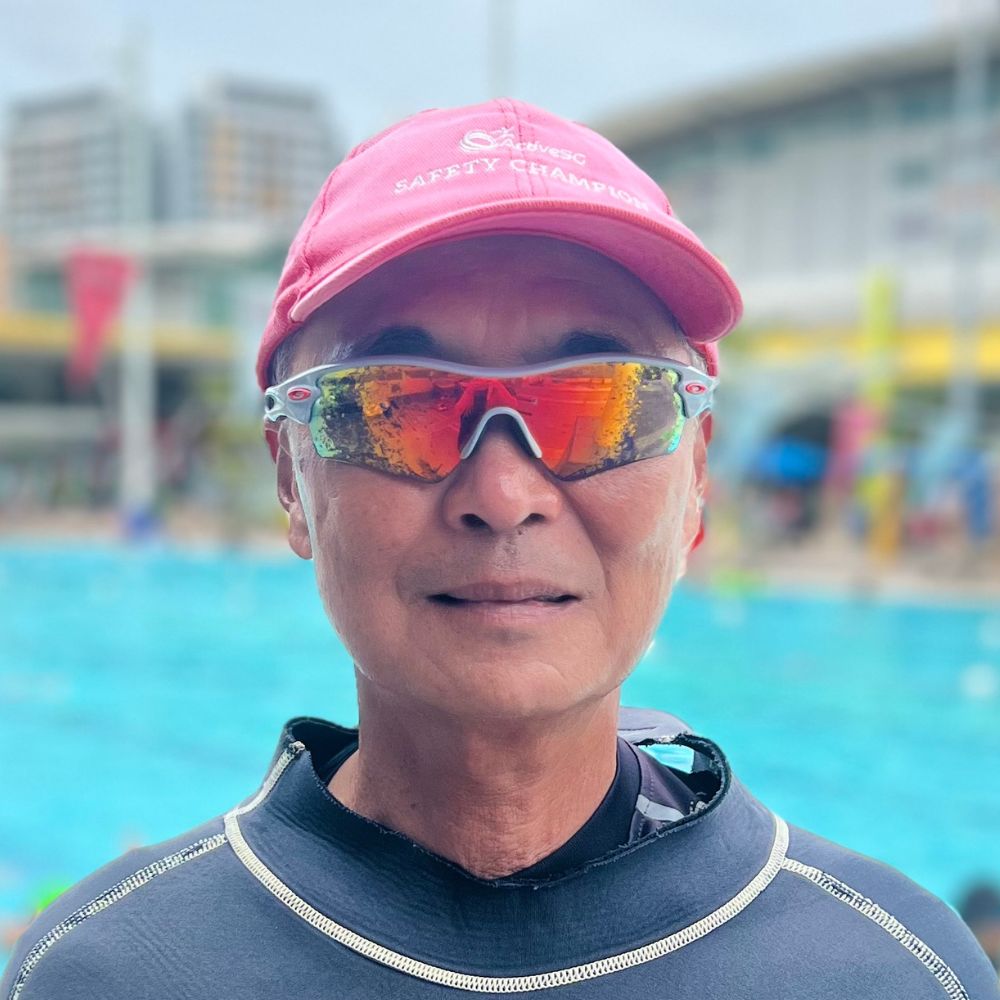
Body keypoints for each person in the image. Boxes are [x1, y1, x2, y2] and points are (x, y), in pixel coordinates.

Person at [3, 99, 996, 999]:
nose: (503, 494)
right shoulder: (103, 973)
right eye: (395, 407)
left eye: (604, 403)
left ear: (696, 474)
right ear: (288, 480)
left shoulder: (890, 971)